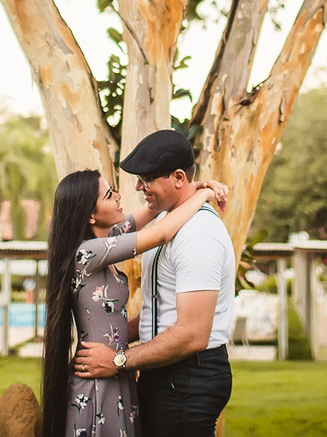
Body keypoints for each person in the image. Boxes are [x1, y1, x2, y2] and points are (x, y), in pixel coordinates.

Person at [41, 167, 227, 437]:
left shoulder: (109, 238)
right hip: (98, 377)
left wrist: (192, 187)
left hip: (115, 368)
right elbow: (162, 232)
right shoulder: (86, 252)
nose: (118, 196)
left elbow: (153, 210)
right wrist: (205, 195)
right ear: (90, 215)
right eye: (108, 195)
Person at [75, 130, 236, 437]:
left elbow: (192, 334)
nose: (138, 187)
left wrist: (118, 360)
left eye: (146, 179)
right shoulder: (167, 222)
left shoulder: (197, 233)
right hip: (163, 370)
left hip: (188, 376)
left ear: (178, 177)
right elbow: (158, 311)